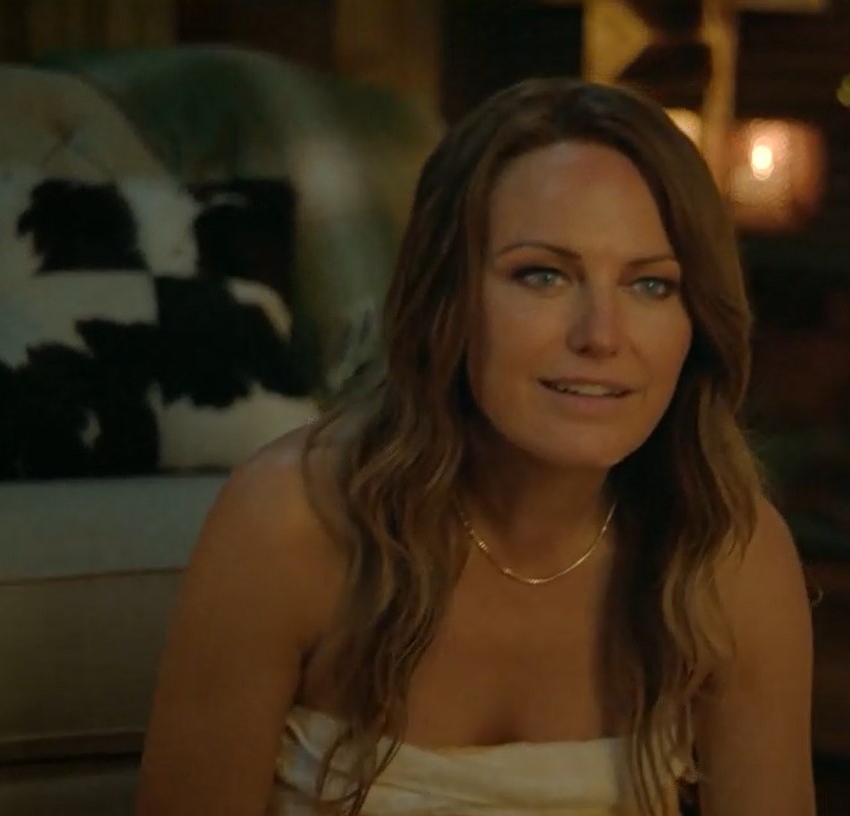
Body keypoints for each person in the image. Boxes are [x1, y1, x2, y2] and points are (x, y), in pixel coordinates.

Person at [135, 76, 815, 816]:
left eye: (650, 286)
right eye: (543, 276)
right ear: (446, 299)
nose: (601, 336)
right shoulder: (290, 522)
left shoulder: (729, 553)